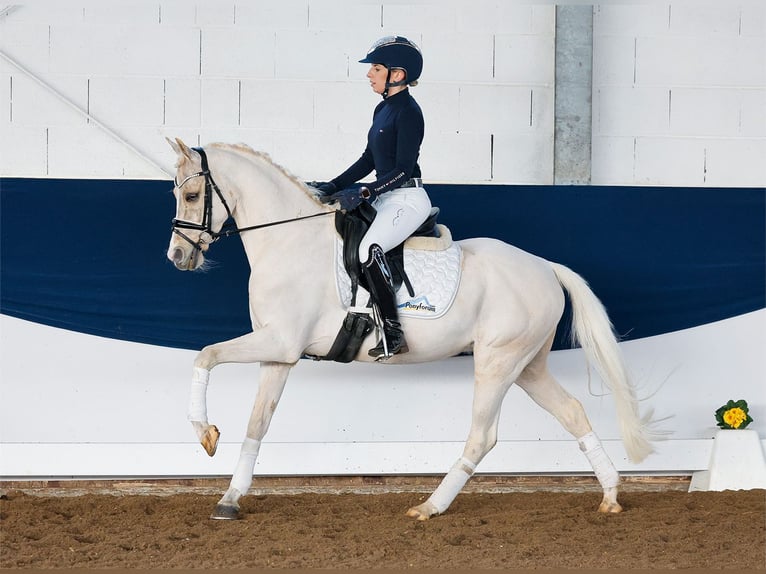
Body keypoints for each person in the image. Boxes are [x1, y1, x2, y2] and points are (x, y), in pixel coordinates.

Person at [314, 36, 432, 359]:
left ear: (397, 75)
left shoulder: (409, 112)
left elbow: (404, 170)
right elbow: (369, 159)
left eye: (376, 69)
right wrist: (331, 185)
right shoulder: (382, 108)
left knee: (369, 248)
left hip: (407, 198)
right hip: (386, 197)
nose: (370, 74)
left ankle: (393, 332)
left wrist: (366, 191)